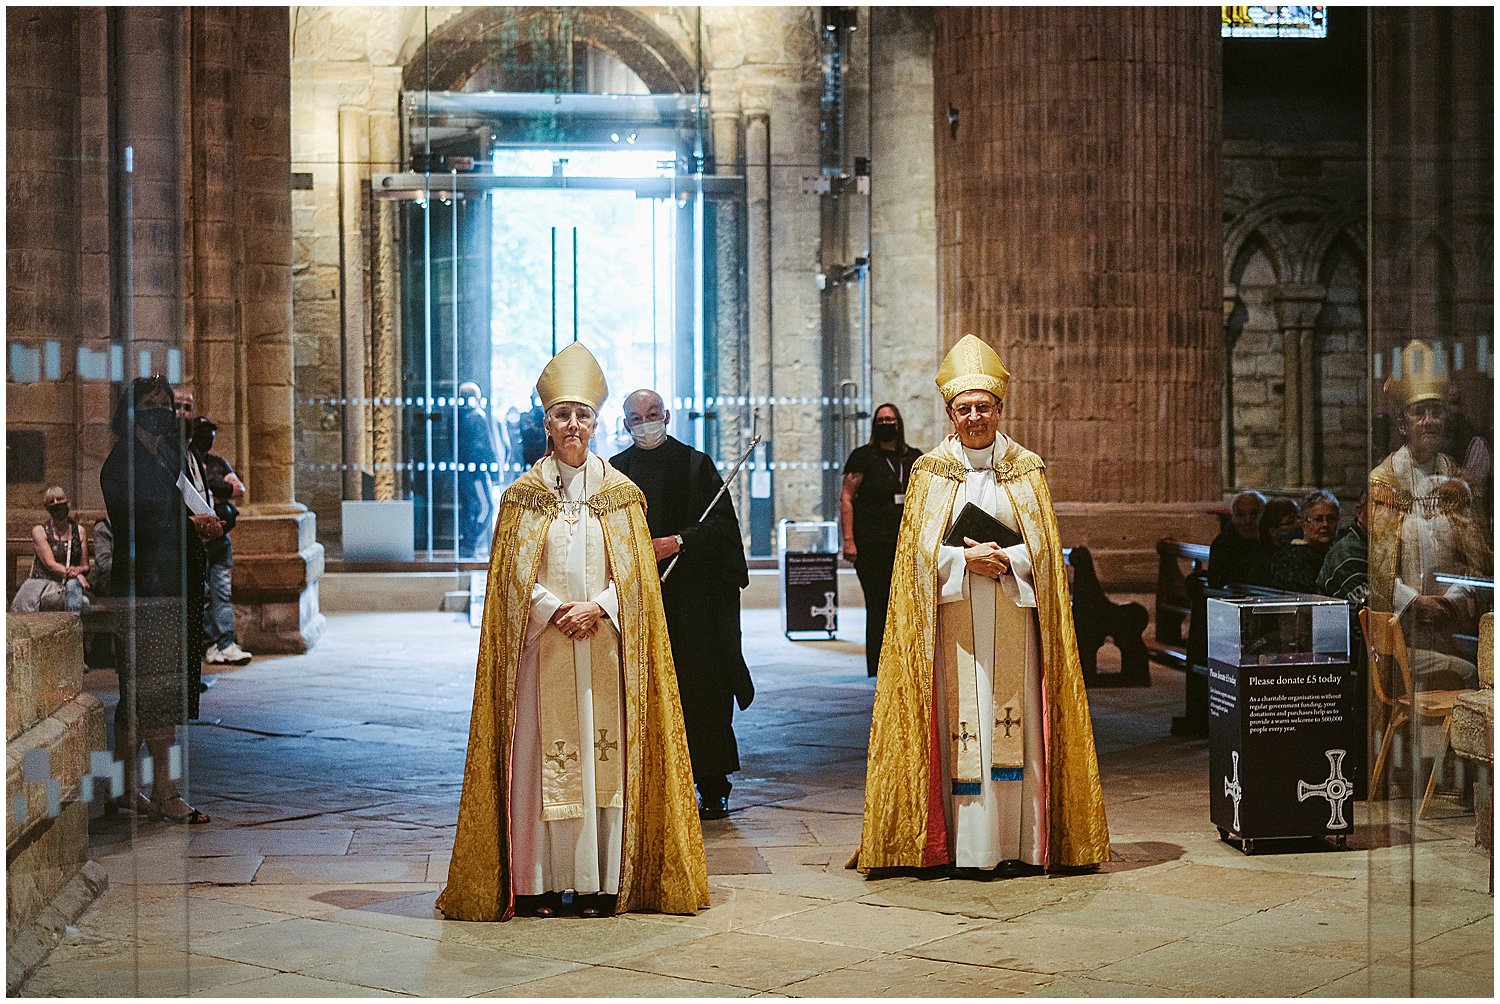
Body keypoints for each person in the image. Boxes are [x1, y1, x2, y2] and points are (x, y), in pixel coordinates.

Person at [438, 343, 708, 922]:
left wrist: (600, 608)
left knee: (601, 754)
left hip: (605, 646)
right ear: (545, 424)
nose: (573, 426)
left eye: (583, 416)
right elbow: (511, 575)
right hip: (544, 648)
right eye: (562, 415)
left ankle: (597, 882)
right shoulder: (521, 498)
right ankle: (536, 881)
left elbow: (637, 574)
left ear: (596, 423)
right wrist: (553, 609)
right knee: (540, 760)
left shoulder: (621, 497)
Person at [852, 335, 1109, 878]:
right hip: (954, 622)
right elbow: (913, 555)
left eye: (983, 407)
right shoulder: (929, 474)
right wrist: (961, 562)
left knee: (1016, 725)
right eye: (964, 408)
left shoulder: (1027, 469)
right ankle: (964, 847)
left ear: (1000, 409)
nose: (975, 417)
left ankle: (1020, 843)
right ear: (949, 413)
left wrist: (1009, 560)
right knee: (960, 725)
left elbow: (1043, 547)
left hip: (1015, 614)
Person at [612, 388, 755, 820]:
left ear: (668, 415)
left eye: (653, 413)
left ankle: (712, 785)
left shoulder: (697, 466)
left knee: (703, 695)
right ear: (625, 426)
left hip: (697, 607)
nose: (646, 423)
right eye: (637, 418)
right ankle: (645, 783)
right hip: (641, 601)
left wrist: (678, 542)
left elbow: (724, 531)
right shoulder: (615, 473)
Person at [100, 375, 223, 824]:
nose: (160, 412)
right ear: (130, 413)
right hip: (146, 591)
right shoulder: (123, 463)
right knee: (156, 693)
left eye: (165, 404)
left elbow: (185, 503)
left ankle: (125, 789)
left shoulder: (164, 457)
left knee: (139, 694)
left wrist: (204, 521)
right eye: (149, 405)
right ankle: (167, 793)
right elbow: (143, 525)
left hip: (171, 587)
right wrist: (193, 527)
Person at [1369, 339, 1492, 690]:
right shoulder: (1384, 481)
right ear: (1403, 424)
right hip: (1401, 630)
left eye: (1436, 412)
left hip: (1453, 627)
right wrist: (1414, 602)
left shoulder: (1458, 483)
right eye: (1418, 412)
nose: (1429, 421)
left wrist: (1450, 602)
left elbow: (1479, 562)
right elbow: (1378, 569)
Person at [841, 404, 924, 677]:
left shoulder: (914, 458)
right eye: (881, 420)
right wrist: (849, 539)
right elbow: (846, 498)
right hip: (871, 545)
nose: (886, 423)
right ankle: (877, 667)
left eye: (890, 419)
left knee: (905, 605)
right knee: (878, 604)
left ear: (898, 423)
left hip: (906, 546)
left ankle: (904, 664)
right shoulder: (863, 457)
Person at [190, 417, 253, 666]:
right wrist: (220, 487)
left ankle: (227, 642)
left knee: (222, 593)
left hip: (221, 540)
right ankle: (210, 644)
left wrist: (214, 487)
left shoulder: (217, 462)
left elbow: (239, 490)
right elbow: (194, 492)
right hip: (201, 540)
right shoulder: (191, 463)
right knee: (204, 595)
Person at [10, 486, 91, 613]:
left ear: (68, 502)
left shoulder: (79, 531)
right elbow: (50, 564)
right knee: (77, 596)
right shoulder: (40, 531)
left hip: (69, 586)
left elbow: (86, 566)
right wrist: (75, 575)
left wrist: (79, 570)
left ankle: (71, 626)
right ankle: (71, 626)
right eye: (51, 502)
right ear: (47, 508)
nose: (57, 504)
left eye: (60, 499)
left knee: (76, 591)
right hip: (46, 585)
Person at [455, 381, 502, 557]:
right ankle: (471, 541)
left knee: (471, 505)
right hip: (478, 471)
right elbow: (486, 445)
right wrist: (494, 470)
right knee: (486, 506)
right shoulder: (476, 416)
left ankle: (468, 541)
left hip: (464, 470)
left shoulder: (456, 416)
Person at [1270, 490, 1341, 594]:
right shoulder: (1294, 558)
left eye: (1331, 519)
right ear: (1303, 524)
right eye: (1318, 519)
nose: (1325, 524)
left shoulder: (1339, 553)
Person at [1206, 490, 1265, 589]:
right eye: (1241, 515)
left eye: (1254, 514)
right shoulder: (1223, 544)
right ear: (1233, 517)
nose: (1248, 521)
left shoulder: (1272, 542)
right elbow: (1216, 580)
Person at [1241, 496, 1299, 587]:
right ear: (1272, 531)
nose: (1297, 526)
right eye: (1290, 523)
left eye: (1298, 520)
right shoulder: (1264, 562)